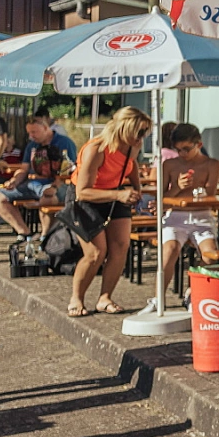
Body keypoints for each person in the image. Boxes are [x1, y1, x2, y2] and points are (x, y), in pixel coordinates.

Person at [67, 107, 153, 317]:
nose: (142, 137)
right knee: (96, 253)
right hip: (87, 198)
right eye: (139, 132)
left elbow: (131, 164)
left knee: (121, 246)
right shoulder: (97, 149)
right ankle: (76, 298)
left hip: (115, 193)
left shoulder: (132, 145)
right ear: (124, 128)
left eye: (145, 132)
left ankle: (105, 298)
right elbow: (82, 192)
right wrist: (119, 195)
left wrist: (137, 188)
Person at [151, 123, 219, 311]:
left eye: (186, 149)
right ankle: (158, 299)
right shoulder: (170, 165)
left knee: (210, 255)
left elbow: (210, 197)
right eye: (178, 149)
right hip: (176, 216)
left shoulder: (212, 165)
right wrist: (178, 187)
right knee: (169, 251)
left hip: (201, 216)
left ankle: (193, 292)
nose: (182, 153)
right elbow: (161, 201)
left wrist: (198, 192)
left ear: (199, 144)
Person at [0, 116, 79, 237]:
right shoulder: (32, 145)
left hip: (57, 184)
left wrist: (54, 187)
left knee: (48, 197)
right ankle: (25, 233)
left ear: (45, 128)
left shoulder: (64, 142)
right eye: (29, 132)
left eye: (34, 132)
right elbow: (24, 169)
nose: (31, 136)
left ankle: (45, 236)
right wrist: (14, 181)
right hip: (32, 184)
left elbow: (71, 170)